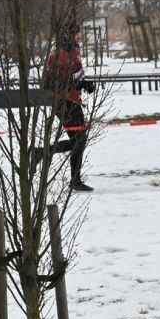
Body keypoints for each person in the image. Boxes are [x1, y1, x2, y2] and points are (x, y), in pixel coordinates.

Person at [38, 23, 96, 192]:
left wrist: (83, 84)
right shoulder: (63, 55)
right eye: (77, 34)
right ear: (69, 36)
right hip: (65, 103)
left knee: (78, 141)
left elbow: (73, 78)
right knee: (79, 141)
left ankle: (40, 153)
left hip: (69, 101)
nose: (80, 37)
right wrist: (81, 84)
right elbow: (56, 83)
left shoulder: (70, 53)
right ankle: (74, 180)